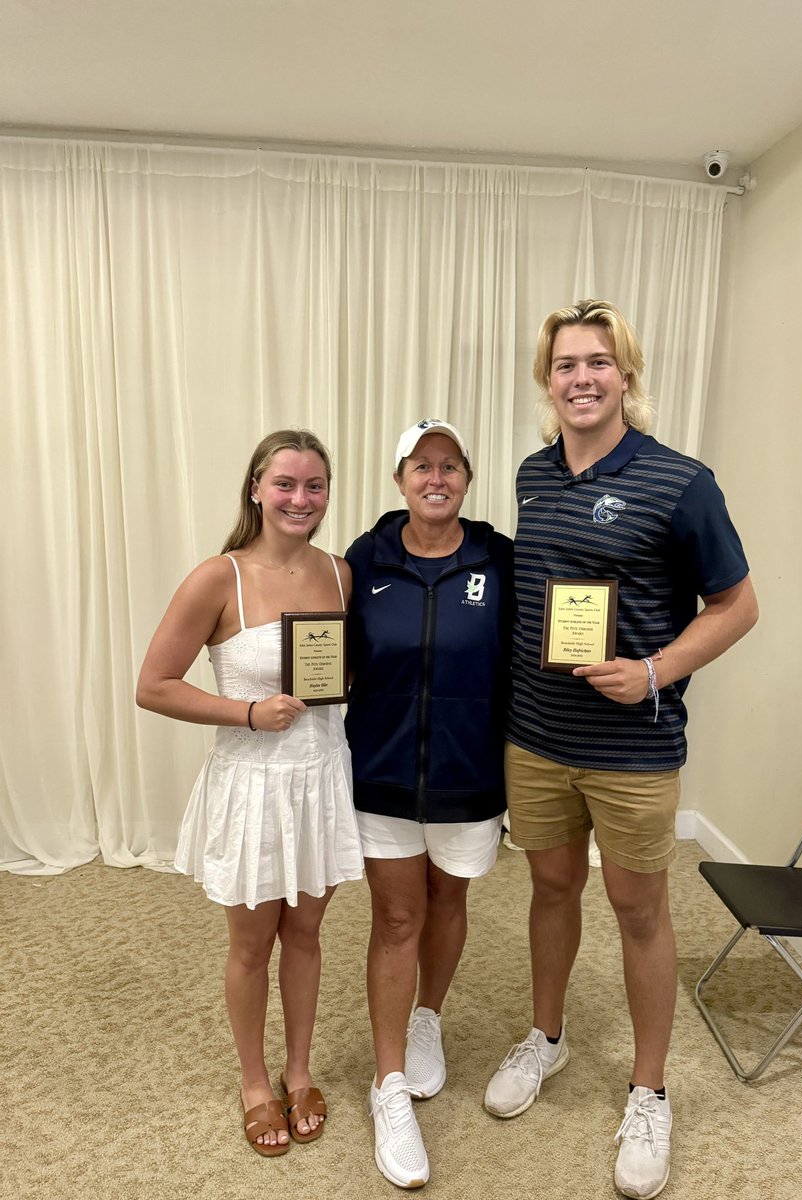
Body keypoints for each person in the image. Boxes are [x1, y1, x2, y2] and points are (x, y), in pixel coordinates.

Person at [483, 302, 758, 1199]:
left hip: (634, 746)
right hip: (537, 737)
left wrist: (654, 671)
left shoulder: (681, 481)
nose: (582, 378)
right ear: (546, 381)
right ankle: (548, 1037)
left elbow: (737, 606)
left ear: (627, 377)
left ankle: (650, 1090)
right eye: (565, 365)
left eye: (599, 362)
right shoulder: (532, 474)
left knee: (640, 911)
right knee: (551, 889)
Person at [136, 429, 363, 1156]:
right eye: (287, 484)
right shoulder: (218, 576)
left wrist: (346, 682)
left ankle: (300, 1072)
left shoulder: (340, 571)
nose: (302, 499)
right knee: (251, 945)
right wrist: (246, 713)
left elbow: (336, 670)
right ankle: (255, 1083)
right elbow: (153, 686)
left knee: (306, 936)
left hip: (323, 774)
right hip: (253, 783)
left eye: (315, 486)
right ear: (258, 489)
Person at [344, 419, 513, 1189]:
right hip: (382, 773)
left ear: (466, 479)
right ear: (400, 478)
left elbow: (537, 651)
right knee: (397, 917)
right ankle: (388, 1090)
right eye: (422, 465)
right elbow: (327, 656)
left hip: (468, 775)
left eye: (449, 465)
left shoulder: (499, 559)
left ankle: (427, 1018)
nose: (435, 477)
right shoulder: (364, 559)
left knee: (448, 901)